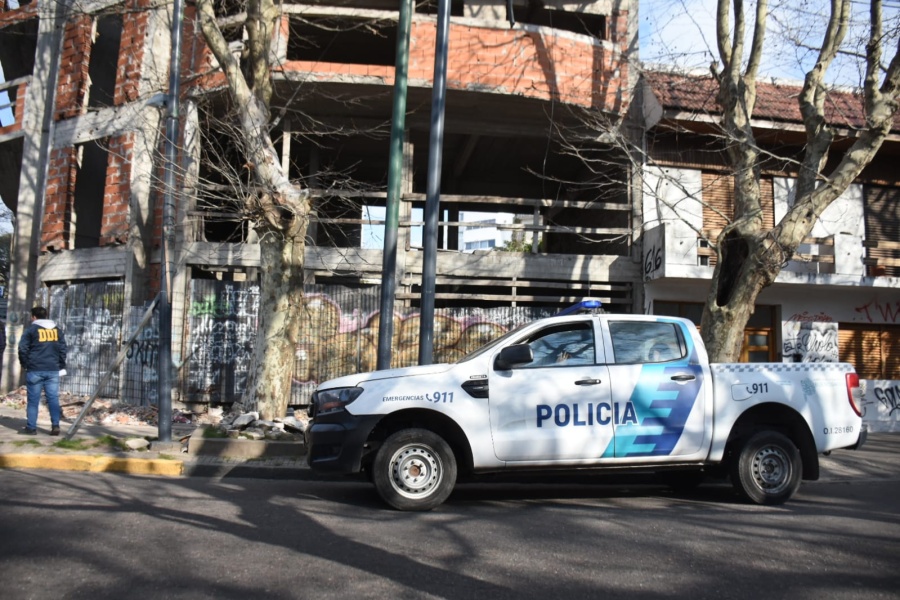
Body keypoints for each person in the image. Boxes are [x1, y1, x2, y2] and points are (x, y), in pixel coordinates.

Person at [17, 306, 67, 435]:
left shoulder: (31, 330)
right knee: (53, 399)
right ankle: (55, 426)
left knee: (33, 400)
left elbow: (23, 349)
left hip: (35, 369)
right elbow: (62, 349)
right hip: (52, 369)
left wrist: (25, 364)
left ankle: (31, 428)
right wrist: (60, 365)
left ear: (34, 317)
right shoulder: (57, 330)